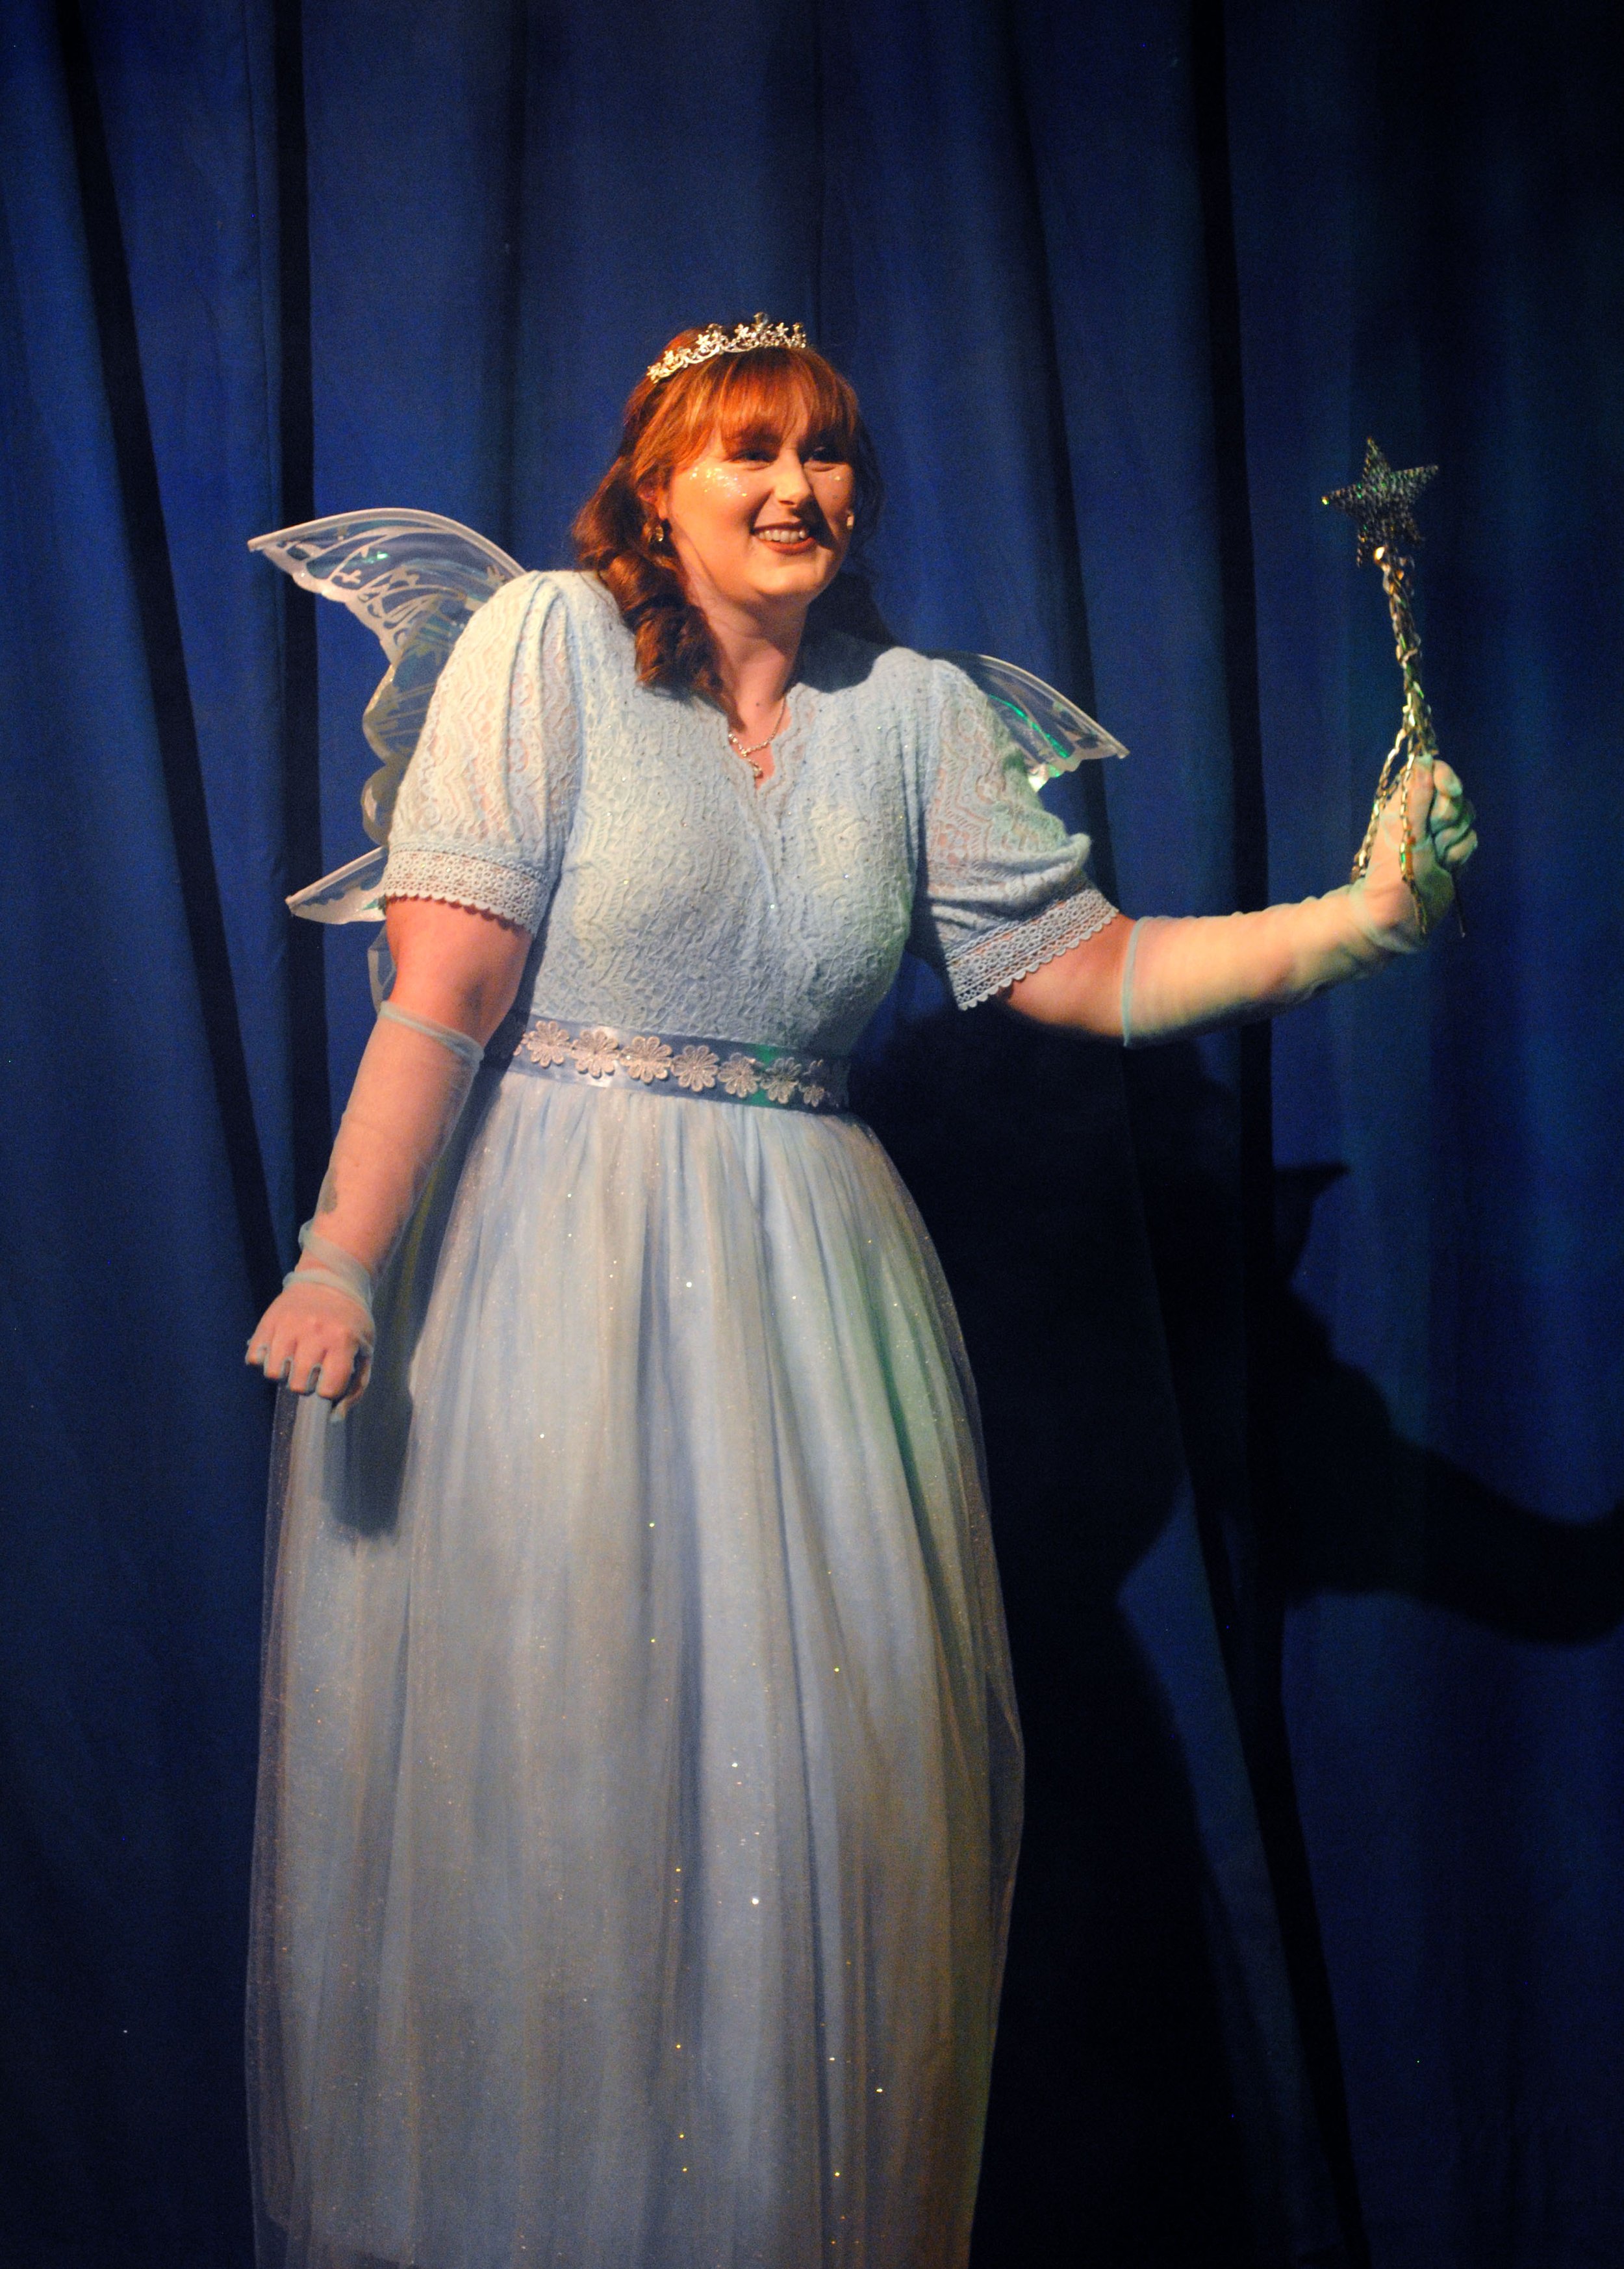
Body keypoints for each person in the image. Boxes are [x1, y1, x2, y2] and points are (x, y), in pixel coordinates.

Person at [245, 318, 1476, 2269]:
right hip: (564, 1265)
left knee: (789, 1823)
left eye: (826, 455)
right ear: (655, 485)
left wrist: (1349, 923)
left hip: (810, 1291)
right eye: (748, 452)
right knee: (570, 1781)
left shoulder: (910, 710)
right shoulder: (543, 648)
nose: (796, 488)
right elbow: (443, 994)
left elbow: (1086, 969)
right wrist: (340, 1255)